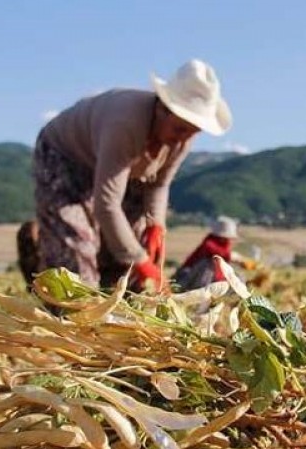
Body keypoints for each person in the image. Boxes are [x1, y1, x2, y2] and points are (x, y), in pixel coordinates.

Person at [28, 59, 232, 292]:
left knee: (132, 241)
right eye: (180, 129)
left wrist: (156, 224)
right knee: (77, 248)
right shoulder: (125, 124)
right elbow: (107, 205)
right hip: (66, 156)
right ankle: (71, 311)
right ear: (162, 109)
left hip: (118, 167)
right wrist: (139, 259)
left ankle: (117, 309)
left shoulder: (181, 138)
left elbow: (158, 185)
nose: (184, 139)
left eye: (193, 132)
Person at [172, 216, 256, 291]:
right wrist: (238, 258)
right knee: (210, 263)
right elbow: (218, 252)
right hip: (189, 277)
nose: (228, 240)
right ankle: (200, 291)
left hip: (211, 279)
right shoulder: (208, 244)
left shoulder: (223, 245)